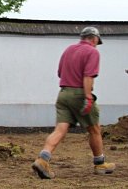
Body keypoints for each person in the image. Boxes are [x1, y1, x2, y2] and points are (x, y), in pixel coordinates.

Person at [32, 27, 116, 179]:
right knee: (94, 129)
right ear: (94, 38)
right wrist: (88, 96)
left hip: (63, 94)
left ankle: (42, 159)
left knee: (60, 130)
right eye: (97, 41)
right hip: (79, 94)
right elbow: (88, 76)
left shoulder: (69, 50)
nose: (97, 44)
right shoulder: (92, 52)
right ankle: (100, 164)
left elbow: (60, 73)